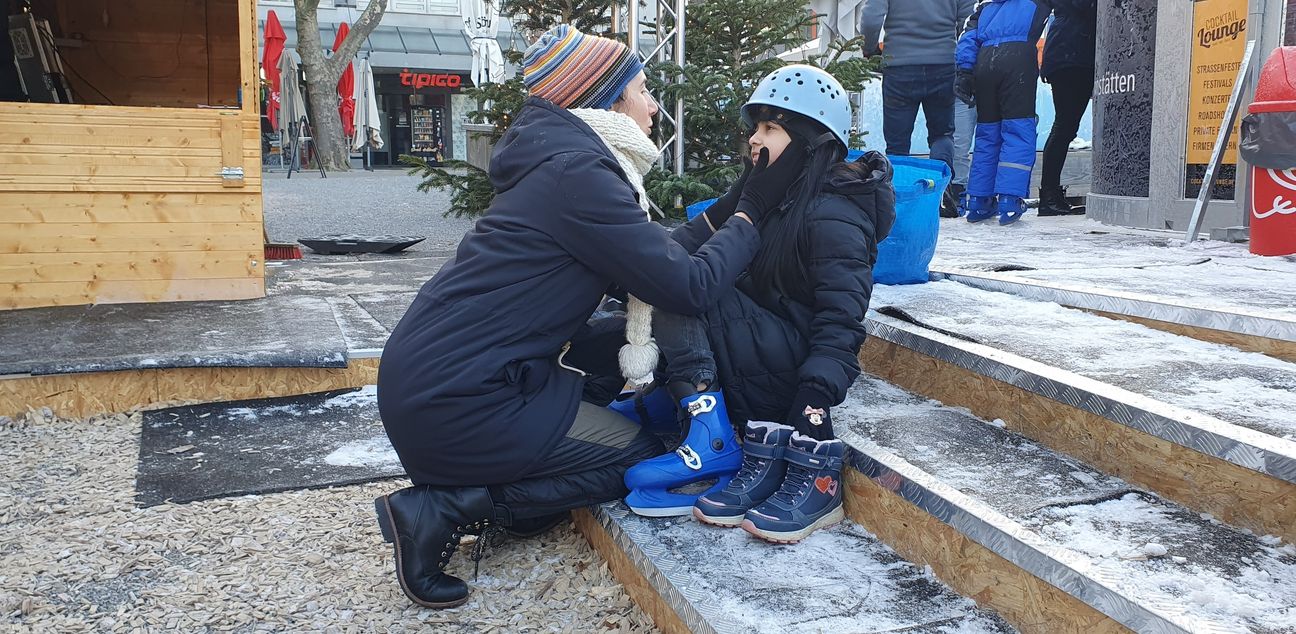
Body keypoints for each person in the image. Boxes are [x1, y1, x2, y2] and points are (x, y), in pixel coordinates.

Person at [372, 24, 802, 609]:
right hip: (461, 402)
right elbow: (688, 286)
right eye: (644, 90)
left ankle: (520, 495)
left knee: (604, 371)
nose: (653, 106)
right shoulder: (580, 177)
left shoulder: (563, 165)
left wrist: (744, 193)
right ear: (606, 99)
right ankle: (446, 507)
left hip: (438, 380)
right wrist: (752, 214)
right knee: (643, 454)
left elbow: (654, 253)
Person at [622, 65, 896, 544]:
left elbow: (842, 319)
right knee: (677, 276)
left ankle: (714, 436)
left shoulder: (833, 212)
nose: (754, 138)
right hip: (755, 355)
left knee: (688, 287)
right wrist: (740, 198)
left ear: (809, 142)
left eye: (771, 128)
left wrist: (813, 404)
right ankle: (682, 406)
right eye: (755, 126)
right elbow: (675, 250)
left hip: (787, 380)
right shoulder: (773, 197)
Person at [859, 0, 974, 217]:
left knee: (897, 143)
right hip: (944, 64)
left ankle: (896, 200)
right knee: (942, 135)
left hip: (899, 67)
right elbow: (968, 20)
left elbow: (871, 17)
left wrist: (871, 49)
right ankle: (940, 196)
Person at [954, 0, 1050, 225]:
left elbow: (968, 37)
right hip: (1018, 60)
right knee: (1018, 130)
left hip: (985, 62)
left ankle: (978, 200)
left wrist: (964, 71)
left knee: (988, 132)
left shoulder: (986, 7)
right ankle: (1009, 198)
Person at [1038, 0, 1096, 216]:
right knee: (1064, 127)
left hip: (1063, 54)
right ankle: (1049, 197)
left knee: (1064, 127)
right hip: (1073, 55)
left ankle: (1050, 195)